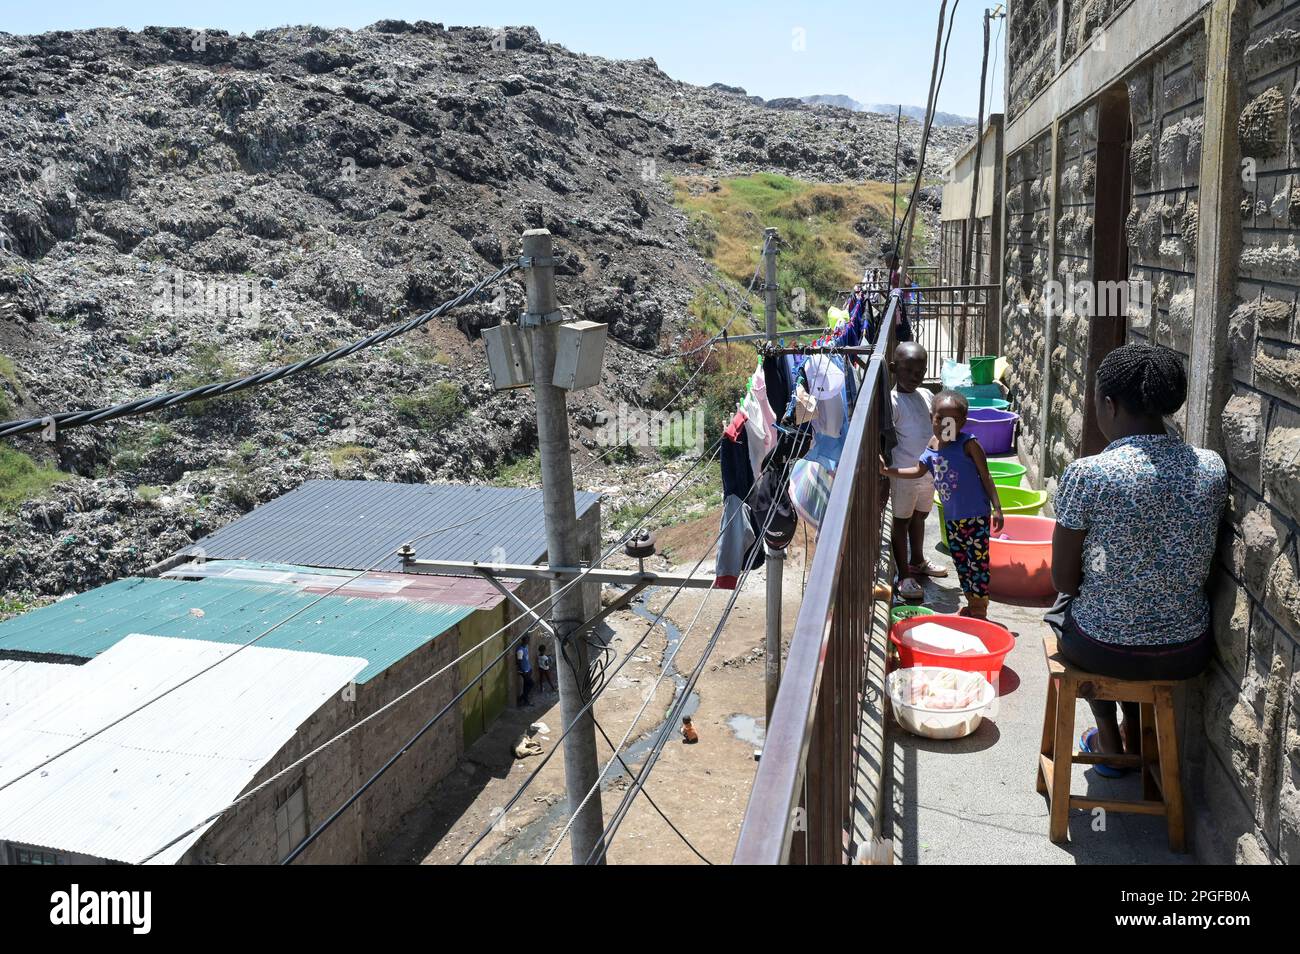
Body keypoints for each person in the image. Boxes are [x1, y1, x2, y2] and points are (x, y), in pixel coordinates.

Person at [1048, 343, 1226, 775]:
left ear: (1108, 405)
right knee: (1125, 613)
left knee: (1066, 611)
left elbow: (1065, 579)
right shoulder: (1211, 468)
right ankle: (1135, 732)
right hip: (1186, 649)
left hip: (1104, 651)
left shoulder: (1089, 474)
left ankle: (1110, 738)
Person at [882, 390, 1003, 618]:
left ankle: (979, 609)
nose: (945, 425)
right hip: (952, 519)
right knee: (960, 562)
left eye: (953, 420)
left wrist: (997, 508)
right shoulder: (933, 445)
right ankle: (971, 603)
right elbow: (918, 470)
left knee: (977, 563)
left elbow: (986, 476)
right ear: (932, 419)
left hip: (976, 516)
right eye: (940, 419)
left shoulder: (969, 444)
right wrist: (887, 470)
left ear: (963, 422)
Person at [887, 342, 945, 602]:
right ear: (893, 369)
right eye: (908, 370)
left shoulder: (925, 395)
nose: (914, 376)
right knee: (902, 520)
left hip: (929, 472)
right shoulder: (893, 401)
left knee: (921, 516)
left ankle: (918, 560)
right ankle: (903, 575)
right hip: (905, 473)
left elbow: (941, 423)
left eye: (920, 371)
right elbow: (885, 438)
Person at [516, 637, 534, 707]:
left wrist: (529, 669)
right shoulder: (520, 650)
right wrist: (522, 671)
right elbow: (519, 662)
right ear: (523, 641)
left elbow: (526, 659)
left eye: (528, 640)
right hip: (524, 671)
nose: (528, 641)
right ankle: (523, 697)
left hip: (528, 669)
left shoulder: (526, 647)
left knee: (526, 685)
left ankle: (525, 699)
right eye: (527, 640)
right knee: (531, 683)